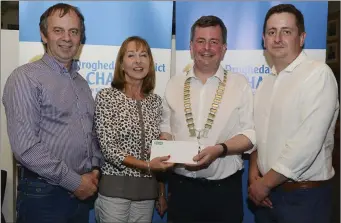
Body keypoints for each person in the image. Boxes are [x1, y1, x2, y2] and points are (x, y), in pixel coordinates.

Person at [2, 3, 104, 223]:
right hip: (43, 196)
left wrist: (95, 169)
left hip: (82, 193)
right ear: (43, 35)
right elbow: (26, 148)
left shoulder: (82, 84)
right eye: (58, 30)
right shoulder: (25, 78)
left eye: (73, 31)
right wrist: (74, 182)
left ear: (80, 37)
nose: (67, 38)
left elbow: (91, 134)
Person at [248, 4, 339, 223]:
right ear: (264, 39)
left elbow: (307, 142)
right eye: (272, 32)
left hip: (304, 198)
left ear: (302, 37)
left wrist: (264, 183)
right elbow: (260, 134)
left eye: (286, 31)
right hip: (266, 196)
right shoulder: (265, 84)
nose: (278, 38)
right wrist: (254, 171)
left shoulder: (318, 75)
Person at [160, 15, 256, 223]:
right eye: (201, 41)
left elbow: (250, 134)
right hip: (181, 190)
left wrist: (219, 149)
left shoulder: (240, 85)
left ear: (223, 49)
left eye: (214, 42)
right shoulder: (174, 84)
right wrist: (165, 147)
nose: (206, 48)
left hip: (224, 192)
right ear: (191, 46)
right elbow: (166, 128)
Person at [93, 36, 174, 223]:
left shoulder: (155, 102)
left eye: (143, 55)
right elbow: (108, 149)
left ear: (150, 63)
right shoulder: (107, 97)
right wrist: (146, 165)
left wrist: (160, 191)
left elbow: (159, 150)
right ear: (121, 64)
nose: (138, 61)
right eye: (131, 55)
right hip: (115, 193)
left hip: (146, 194)